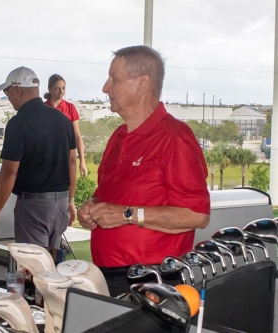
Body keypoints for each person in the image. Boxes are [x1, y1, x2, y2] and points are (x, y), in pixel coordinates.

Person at [77, 45, 210, 296]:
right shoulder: (118, 137)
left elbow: (196, 215)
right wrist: (92, 209)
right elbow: (109, 198)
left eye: (114, 79)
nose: (105, 87)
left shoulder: (175, 138)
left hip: (153, 281)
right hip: (108, 277)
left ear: (142, 85)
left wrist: (126, 214)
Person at [0, 66, 77, 249]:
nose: (8, 97)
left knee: (34, 268)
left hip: (35, 206)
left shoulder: (18, 123)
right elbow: (72, 162)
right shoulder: (63, 120)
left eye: (7, 91)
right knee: (52, 268)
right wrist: (71, 200)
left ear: (17, 89)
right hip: (61, 204)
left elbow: (9, 172)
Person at [44, 74, 88, 178]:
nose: (61, 92)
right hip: (46, 155)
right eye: (57, 89)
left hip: (67, 154)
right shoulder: (43, 108)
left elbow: (77, 135)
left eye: (63, 88)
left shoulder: (70, 107)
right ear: (49, 89)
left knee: (67, 185)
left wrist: (82, 161)